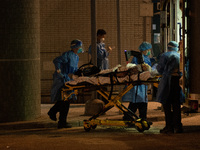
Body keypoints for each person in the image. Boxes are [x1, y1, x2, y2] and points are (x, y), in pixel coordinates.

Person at [47, 39, 83, 129]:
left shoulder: (76, 57)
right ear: (75, 47)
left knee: (65, 100)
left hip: (69, 80)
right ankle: (60, 119)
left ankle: (56, 115)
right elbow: (56, 60)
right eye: (80, 47)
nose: (81, 48)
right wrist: (59, 72)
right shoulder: (68, 55)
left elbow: (74, 68)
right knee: (65, 101)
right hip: (63, 79)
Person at [156, 41, 185, 134]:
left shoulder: (165, 55)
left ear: (168, 47)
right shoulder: (179, 56)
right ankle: (178, 127)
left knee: (167, 104)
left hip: (168, 81)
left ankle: (169, 127)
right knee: (176, 105)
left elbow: (160, 69)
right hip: (177, 81)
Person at [122, 42, 153, 121]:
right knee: (137, 100)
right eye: (147, 49)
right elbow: (137, 68)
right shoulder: (137, 57)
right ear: (144, 50)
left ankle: (136, 117)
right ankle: (131, 117)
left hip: (142, 81)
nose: (149, 51)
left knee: (140, 100)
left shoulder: (145, 57)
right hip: (138, 81)